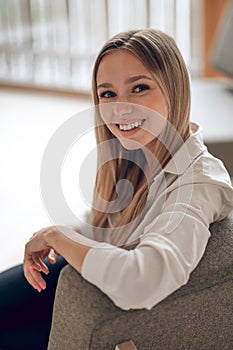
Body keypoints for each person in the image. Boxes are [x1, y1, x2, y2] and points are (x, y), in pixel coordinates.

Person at [0, 29, 233, 350]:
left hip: (96, 310)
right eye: (107, 94)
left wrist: (58, 236)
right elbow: (102, 229)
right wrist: (62, 236)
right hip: (76, 284)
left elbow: (144, 280)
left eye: (139, 88)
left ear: (175, 89)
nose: (120, 109)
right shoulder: (134, 155)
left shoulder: (199, 183)